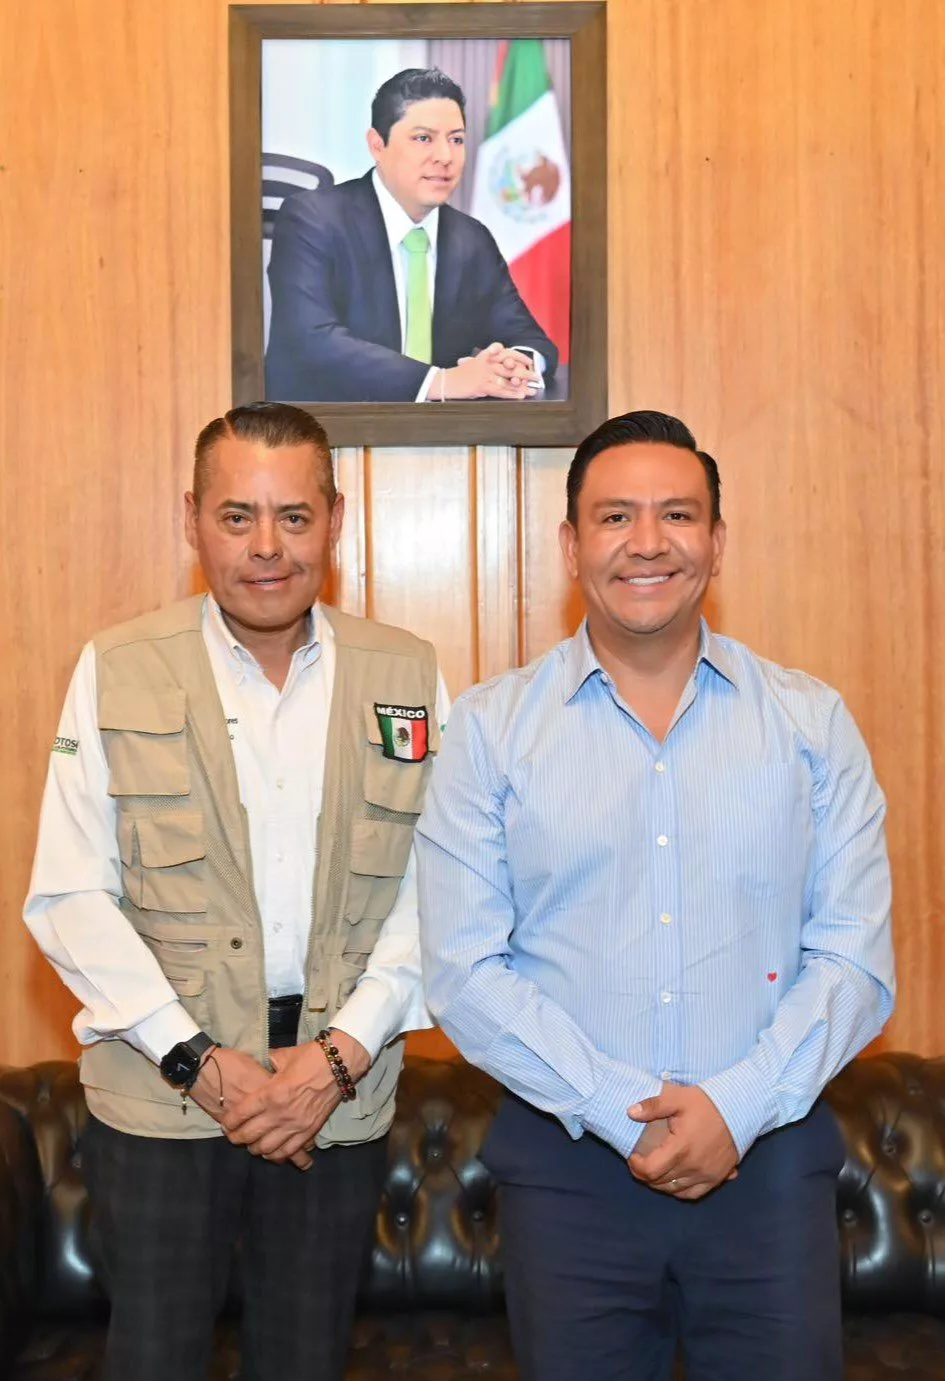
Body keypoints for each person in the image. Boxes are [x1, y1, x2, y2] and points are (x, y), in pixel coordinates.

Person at [415, 409, 895, 1381]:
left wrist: (735, 1106)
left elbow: (854, 957)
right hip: (568, 1176)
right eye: (615, 517)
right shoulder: (490, 732)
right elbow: (464, 971)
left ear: (716, 540)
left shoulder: (811, 723)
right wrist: (617, 1107)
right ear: (570, 546)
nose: (647, 542)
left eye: (676, 514)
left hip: (768, 1168)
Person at [24, 401, 447, 1381]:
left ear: (335, 520)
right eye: (237, 515)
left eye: (294, 516)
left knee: (307, 1360)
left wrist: (334, 1060)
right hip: (160, 1096)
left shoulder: (407, 673)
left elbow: (438, 891)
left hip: (332, 1098)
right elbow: (70, 895)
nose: (267, 547)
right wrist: (199, 1061)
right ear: (192, 519)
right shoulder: (117, 667)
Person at [265, 67, 558, 403]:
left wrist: (516, 364)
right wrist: (442, 382)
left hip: (445, 432)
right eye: (423, 138)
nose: (445, 157)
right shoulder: (313, 218)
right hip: (328, 425)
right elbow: (310, 341)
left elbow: (528, 336)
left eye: (456, 140)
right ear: (377, 145)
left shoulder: (471, 237)